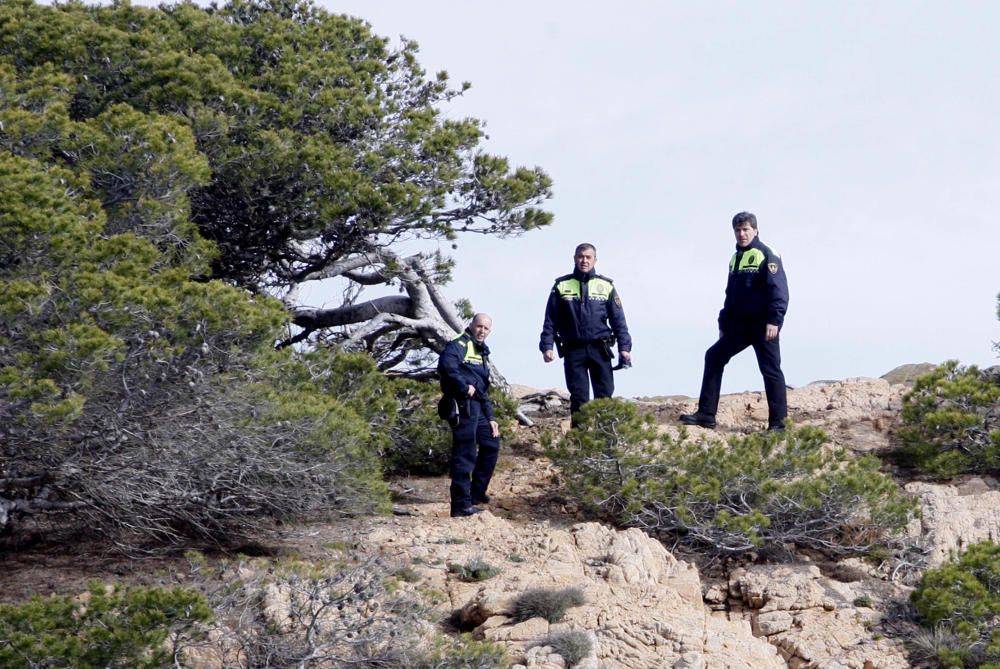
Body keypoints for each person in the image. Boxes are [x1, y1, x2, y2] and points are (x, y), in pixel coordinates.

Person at [681, 211, 789, 431]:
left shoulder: (767, 253)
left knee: (771, 370)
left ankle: (779, 424)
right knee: (713, 356)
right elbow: (730, 294)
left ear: (755, 230)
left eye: (746, 229)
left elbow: (779, 290)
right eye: (738, 230)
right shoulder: (736, 258)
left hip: (763, 325)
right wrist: (724, 324)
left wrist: (774, 320)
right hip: (740, 326)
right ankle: (706, 415)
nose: (742, 234)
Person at [539, 243, 632, 422]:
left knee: (604, 396)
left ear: (595, 260)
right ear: (574, 258)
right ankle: (581, 446)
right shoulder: (561, 285)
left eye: (588, 257)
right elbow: (550, 320)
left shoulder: (606, 286)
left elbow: (619, 321)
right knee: (579, 397)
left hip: (600, 348)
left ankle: (606, 445)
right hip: (574, 350)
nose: (584, 260)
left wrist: (624, 347)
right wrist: (547, 346)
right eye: (581, 256)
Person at [438, 313, 501, 517]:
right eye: (479, 326)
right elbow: (446, 368)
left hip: (479, 406)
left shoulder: (481, 351)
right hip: (462, 404)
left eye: (486, 328)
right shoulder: (459, 344)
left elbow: (483, 387)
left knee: (491, 443)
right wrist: (464, 387)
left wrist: (491, 417)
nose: (482, 331)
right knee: (465, 454)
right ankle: (460, 506)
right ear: (471, 325)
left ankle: (475, 495)